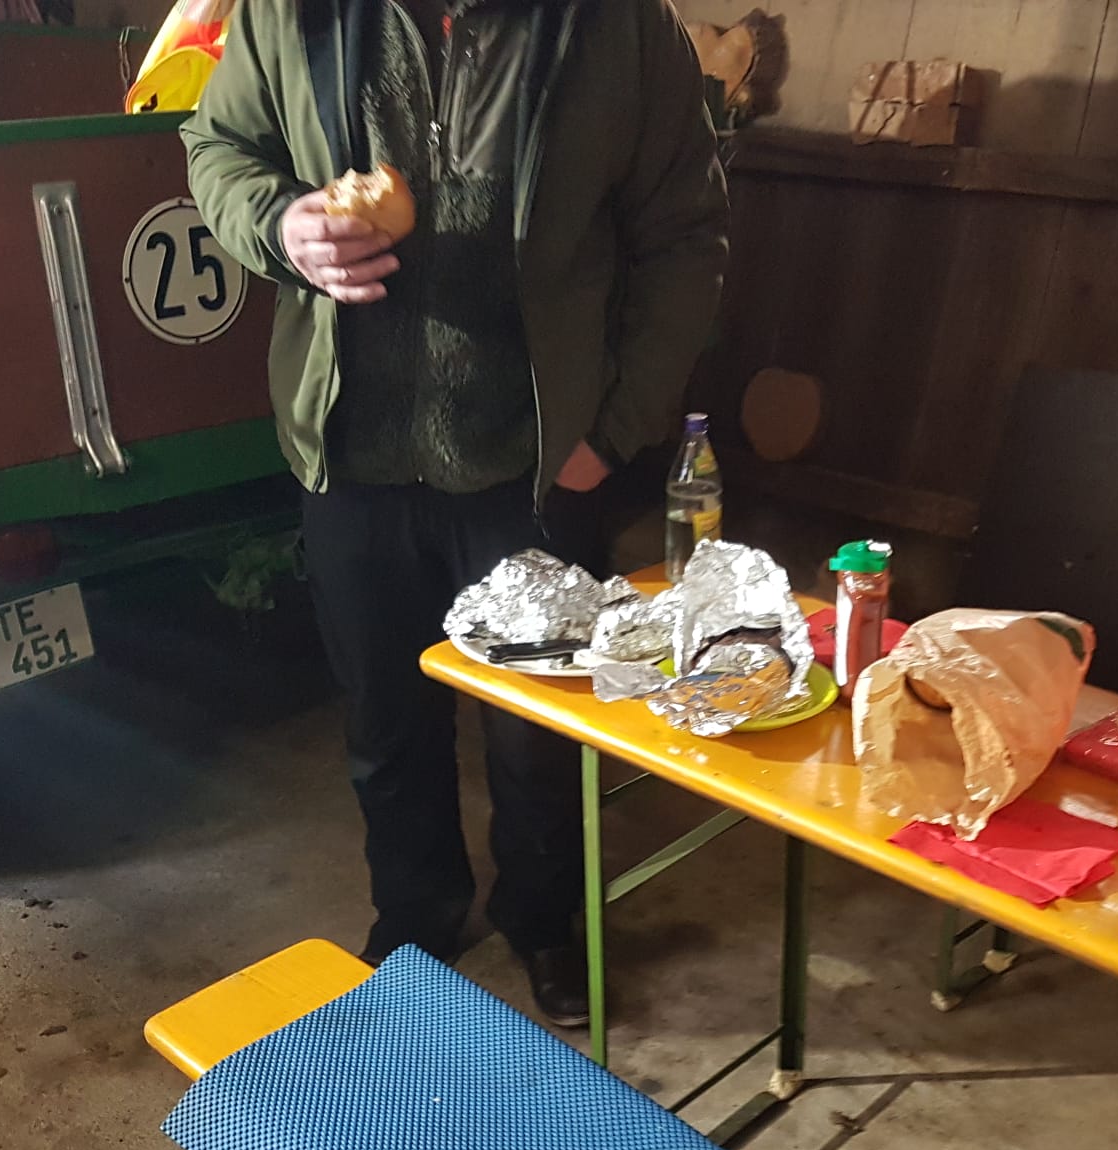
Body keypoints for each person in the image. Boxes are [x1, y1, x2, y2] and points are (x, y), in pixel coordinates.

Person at [183, 0, 727, 1024]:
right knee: (385, 721)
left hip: (533, 460)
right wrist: (279, 225)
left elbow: (684, 233)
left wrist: (615, 430)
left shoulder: (617, 28)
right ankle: (417, 913)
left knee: (537, 731)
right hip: (352, 452)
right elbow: (219, 146)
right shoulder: (290, 11)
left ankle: (544, 918)